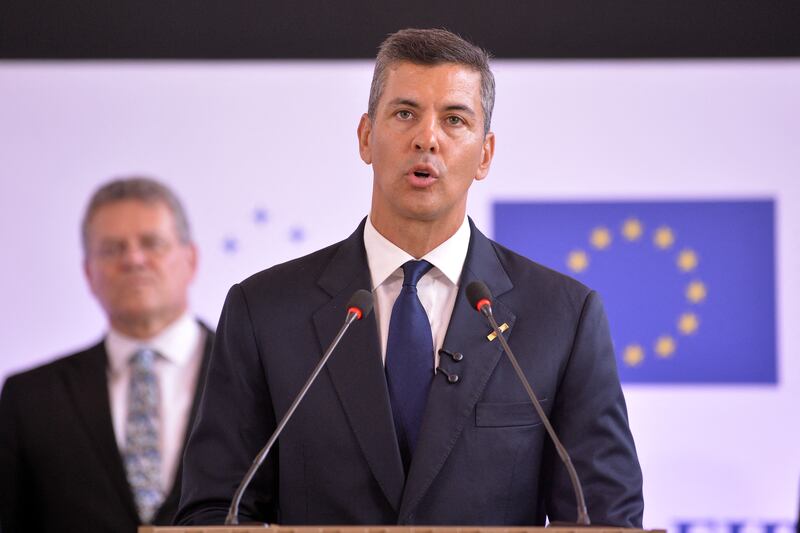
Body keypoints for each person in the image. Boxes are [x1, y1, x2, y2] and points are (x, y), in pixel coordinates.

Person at [177, 28, 643, 527]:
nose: (427, 138)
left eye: (454, 119)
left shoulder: (562, 317)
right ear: (365, 138)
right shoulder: (265, 311)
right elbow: (215, 511)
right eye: (405, 114)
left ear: (485, 155)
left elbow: (605, 518)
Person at [0, 177, 214, 532]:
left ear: (190, 259)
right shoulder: (30, 397)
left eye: (152, 243)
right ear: (88, 273)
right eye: (113, 249)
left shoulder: (257, 375)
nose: (134, 259)